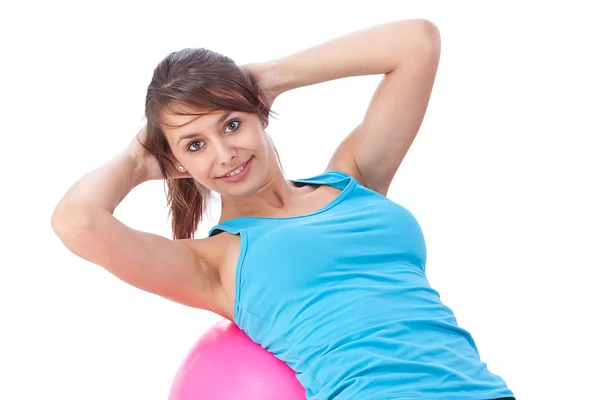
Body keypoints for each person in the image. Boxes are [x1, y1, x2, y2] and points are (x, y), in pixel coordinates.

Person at [52, 19, 515, 400]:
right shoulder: (214, 262)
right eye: (195, 144)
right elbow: (76, 221)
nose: (224, 153)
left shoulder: (355, 181)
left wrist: (271, 76)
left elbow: (416, 41)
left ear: (260, 114)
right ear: (177, 161)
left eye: (231, 124)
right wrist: (138, 157)